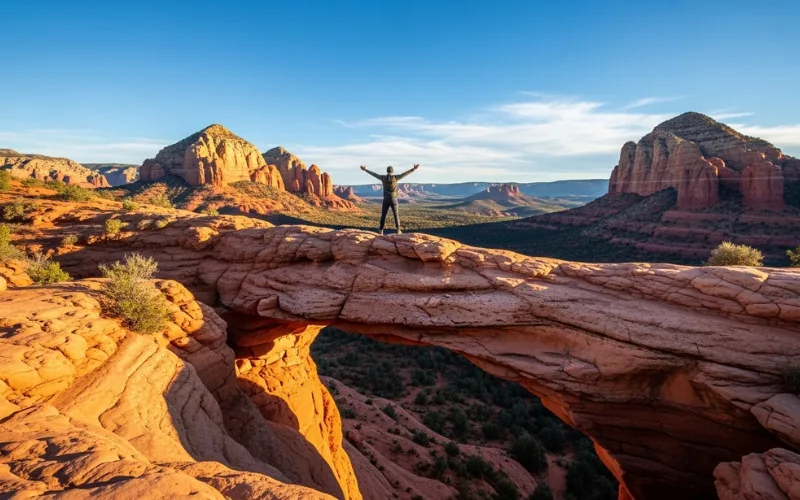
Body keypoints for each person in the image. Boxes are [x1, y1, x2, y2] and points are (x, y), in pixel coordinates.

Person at [360, 164, 419, 234]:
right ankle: (398, 230)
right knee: (396, 215)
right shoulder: (395, 178)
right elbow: (404, 174)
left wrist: (365, 170)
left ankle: (381, 230)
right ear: (392, 171)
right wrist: (413, 169)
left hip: (386, 199)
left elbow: (374, 174)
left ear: (387, 171)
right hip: (393, 199)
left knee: (383, 215)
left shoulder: (383, 178)